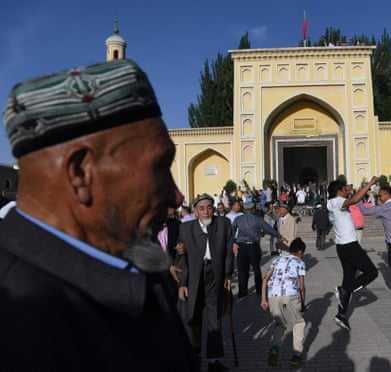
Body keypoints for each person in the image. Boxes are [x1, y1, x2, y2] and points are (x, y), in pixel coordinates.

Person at [0, 60, 195, 370]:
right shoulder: (17, 317)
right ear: (81, 174)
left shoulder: (141, 269)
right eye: (159, 167)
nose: (177, 196)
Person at [176, 193, 234, 372]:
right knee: (192, 316)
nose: (206, 212)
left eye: (209, 208)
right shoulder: (185, 228)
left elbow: (228, 253)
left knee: (214, 317)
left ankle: (213, 362)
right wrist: (182, 283)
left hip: (214, 276)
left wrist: (227, 276)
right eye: (201, 209)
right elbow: (181, 258)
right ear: (195, 212)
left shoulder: (223, 224)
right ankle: (194, 355)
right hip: (194, 276)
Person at [328, 177, 379, 331]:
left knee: (349, 278)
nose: (347, 191)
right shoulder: (337, 201)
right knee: (372, 272)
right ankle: (344, 290)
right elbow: (355, 199)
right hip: (350, 245)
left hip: (342, 247)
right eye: (345, 189)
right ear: (339, 191)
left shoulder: (331, 203)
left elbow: (352, 199)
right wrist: (369, 184)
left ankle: (341, 314)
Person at [260, 238, 307, 369]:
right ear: (299, 251)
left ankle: (274, 351)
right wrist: (303, 303)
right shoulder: (300, 262)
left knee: (281, 324)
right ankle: (296, 356)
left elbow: (265, 279)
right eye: (302, 253)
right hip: (289, 297)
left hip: (272, 298)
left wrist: (263, 299)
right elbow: (302, 287)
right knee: (299, 323)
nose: (302, 255)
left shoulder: (277, 260)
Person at [232, 201, 282, 299]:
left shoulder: (238, 219)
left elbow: (232, 231)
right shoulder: (257, 219)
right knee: (256, 269)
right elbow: (268, 229)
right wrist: (279, 235)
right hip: (254, 246)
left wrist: (234, 242)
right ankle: (259, 290)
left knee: (242, 270)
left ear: (244, 209)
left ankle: (242, 292)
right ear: (253, 209)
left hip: (241, 247)